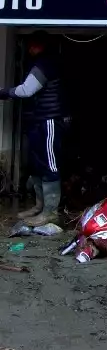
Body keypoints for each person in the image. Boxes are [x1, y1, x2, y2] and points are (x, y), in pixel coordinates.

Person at [0, 31, 63, 226]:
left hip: (48, 120)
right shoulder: (39, 62)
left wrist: (5, 92)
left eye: (33, 45)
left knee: (49, 164)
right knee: (37, 163)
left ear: (41, 45)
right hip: (38, 120)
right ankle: (39, 207)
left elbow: (27, 90)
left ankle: (50, 212)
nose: (29, 48)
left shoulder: (45, 63)